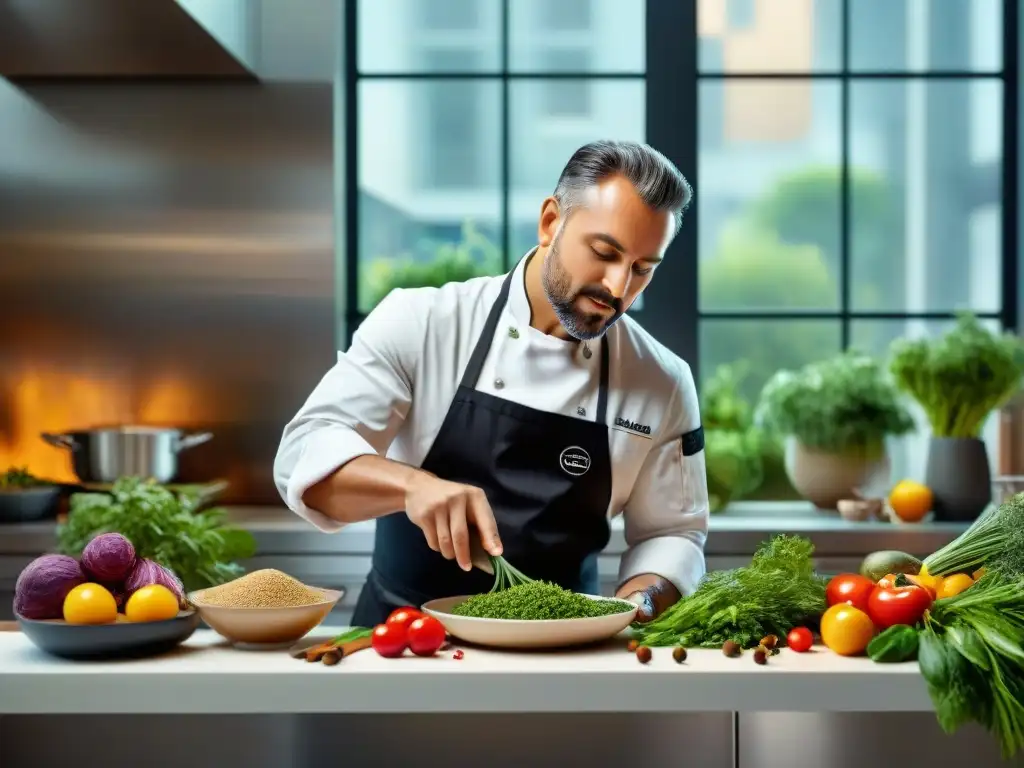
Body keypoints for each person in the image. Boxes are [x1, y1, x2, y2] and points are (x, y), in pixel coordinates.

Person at [274, 139, 709, 628]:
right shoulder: (424, 322)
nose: (617, 287)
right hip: (403, 644)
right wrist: (412, 486)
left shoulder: (662, 380)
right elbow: (301, 457)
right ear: (551, 222)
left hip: (561, 653)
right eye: (604, 252)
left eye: (642, 269)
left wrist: (644, 601)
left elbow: (672, 533)